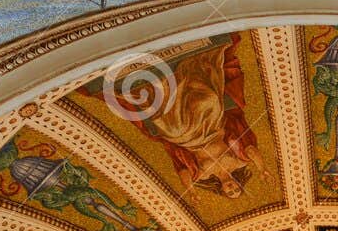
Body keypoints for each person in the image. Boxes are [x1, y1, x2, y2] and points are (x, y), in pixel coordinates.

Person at [110, 35, 263, 198]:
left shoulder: (203, 176)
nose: (231, 188)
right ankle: (184, 78)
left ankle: (155, 87)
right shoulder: (239, 162)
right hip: (213, 128)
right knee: (209, 100)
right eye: (236, 189)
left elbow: (183, 171)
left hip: (189, 140)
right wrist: (262, 169)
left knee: (173, 129)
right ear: (239, 184)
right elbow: (251, 150)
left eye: (229, 192)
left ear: (222, 190)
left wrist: (191, 191)